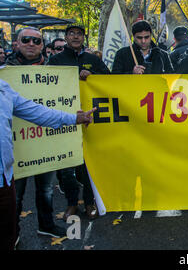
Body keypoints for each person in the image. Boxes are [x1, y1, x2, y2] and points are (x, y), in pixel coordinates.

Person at [0, 78, 96, 250]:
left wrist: (75, 118)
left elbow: (38, 112)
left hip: (4, 179)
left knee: (8, 233)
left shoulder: (3, 89)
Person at [4, 27, 69, 239]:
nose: (31, 44)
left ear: (42, 45)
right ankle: (14, 234)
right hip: (16, 146)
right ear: (17, 43)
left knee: (46, 189)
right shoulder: (4, 74)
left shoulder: (55, 70)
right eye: (26, 40)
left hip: (46, 142)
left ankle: (47, 225)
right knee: (15, 194)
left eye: (37, 41)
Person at [47, 24, 109, 220]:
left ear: (84, 38)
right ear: (66, 37)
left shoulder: (93, 60)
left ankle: (90, 202)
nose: (75, 37)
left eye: (79, 34)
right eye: (71, 34)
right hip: (65, 119)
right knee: (67, 168)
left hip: (90, 120)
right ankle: (72, 204)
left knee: (88, 166)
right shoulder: (55, 61)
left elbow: (110, 81)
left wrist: (93, 77)